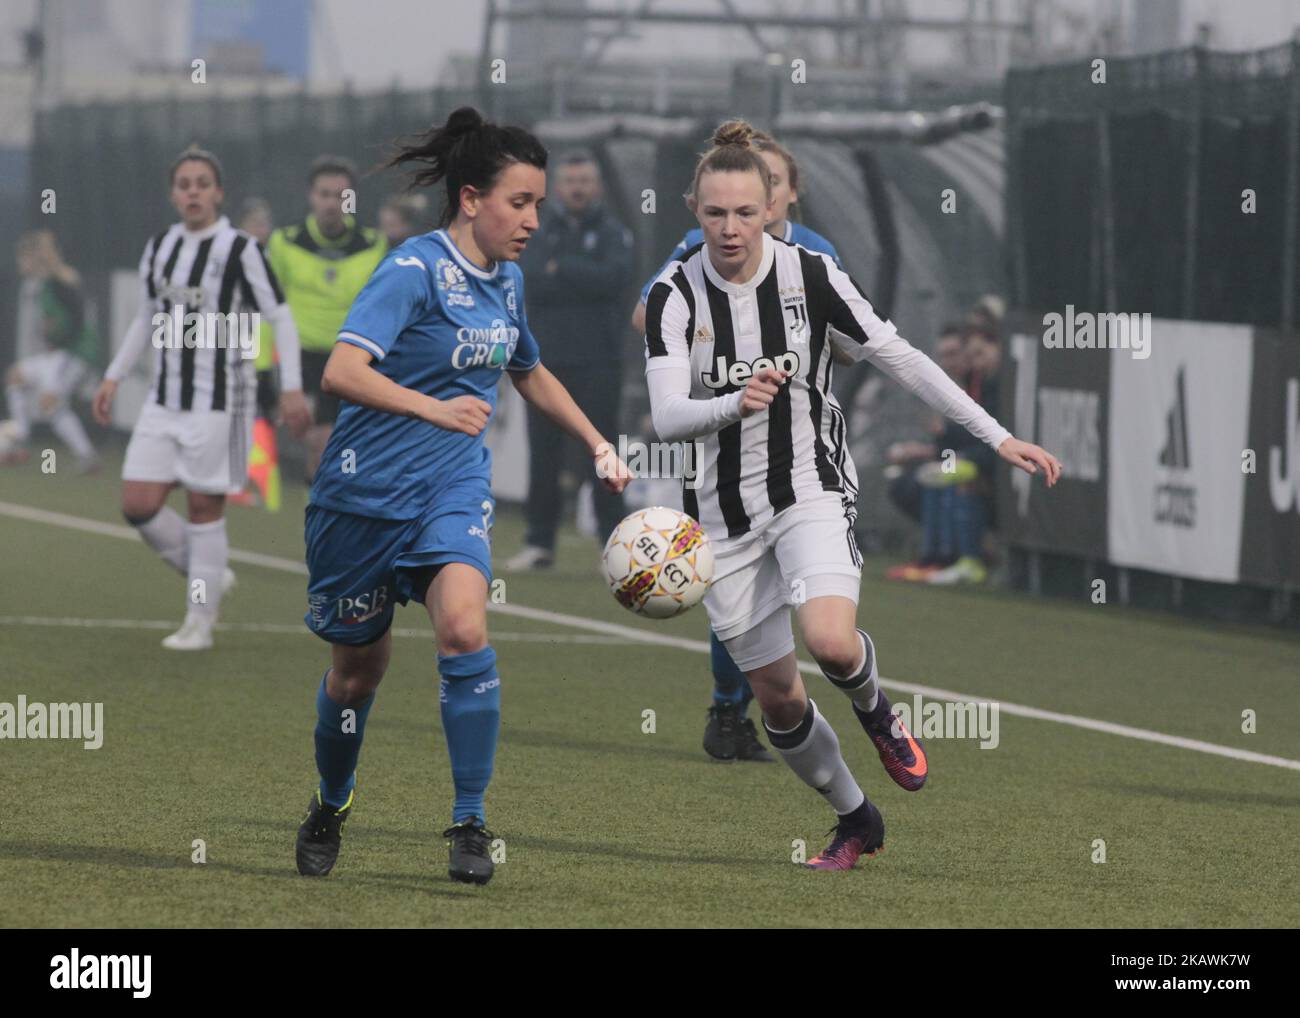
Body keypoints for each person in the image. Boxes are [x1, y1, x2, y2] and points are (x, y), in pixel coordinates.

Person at [643, 120, 1059, 869]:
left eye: (745, 211)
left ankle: (878, 714)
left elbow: (902, 358)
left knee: (830, 642)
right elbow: (668, 415)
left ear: (773, 202)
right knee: (776, 699)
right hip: (721, 515)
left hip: (809, 484)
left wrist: (998, 437)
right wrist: (732, 404)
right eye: (714, 213)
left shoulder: (813, 275)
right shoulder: (676, 293)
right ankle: (856, 818)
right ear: (691, 209)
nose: (731, 227)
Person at [294, 107, 630, 886]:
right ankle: (332, 800)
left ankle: (470, 821)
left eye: (541, 204)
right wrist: (433, 407)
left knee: (464, 630)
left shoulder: (506, 281)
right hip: (361, 497)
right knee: (355, 676)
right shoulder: (412, 270)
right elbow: (341, 373)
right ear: (472, 198)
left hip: (451, 487)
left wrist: (597, 442)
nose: (534, 221)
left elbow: (528, 369)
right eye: (521, 202)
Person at [634, 129, 844, 766]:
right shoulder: (697, 252)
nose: (755, 204)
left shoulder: (815, 256)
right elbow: (647, 313)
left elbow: (858, 340)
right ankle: (728, 708)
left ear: (787, 194)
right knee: (738, 587)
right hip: (718, 452)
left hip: (798, 453)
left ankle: (828, 699)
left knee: (815, 606)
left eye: (772, 187)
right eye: (721, 206)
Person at [92, 146, 310, 650]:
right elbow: (148, 315)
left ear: (218, 192)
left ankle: (200, 620)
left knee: (203, 508)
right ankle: (207, 576)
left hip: (223, 402)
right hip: (164, 401)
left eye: (202, 183)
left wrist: (292, 385)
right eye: (184, 183)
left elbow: (279, 317)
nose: (193, 191)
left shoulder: (241, 250)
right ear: (174, 194)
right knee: (138, 504)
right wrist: (113, 376)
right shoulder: (161, 246)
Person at [505, 148, 634, 572]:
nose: (578, 189)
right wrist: (577, 274)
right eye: (571, 181)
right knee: (543, 453)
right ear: (558, 187)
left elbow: (615, 280)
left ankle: (612, 543)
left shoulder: (615, 231)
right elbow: (533, 278)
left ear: (596, 186)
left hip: (599, 360)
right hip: (545, 363)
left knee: (602, 451)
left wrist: (564, 270)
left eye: (585, 181)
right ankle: (540, 542)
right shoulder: (538, 231)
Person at [267, 156, 387, 482]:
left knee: (332, 450)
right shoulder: (285, 243)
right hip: (301, 359)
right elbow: (267, 308)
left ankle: (325, 515)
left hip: (348, 357)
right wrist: (263, 365)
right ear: (311, 196)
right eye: (324, 194)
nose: (332, 203)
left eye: (341, 195)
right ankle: (320, 515)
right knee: (317, 447)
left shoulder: (374, 246)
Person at [3, 231, 100, 472]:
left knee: (51, 404)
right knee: (15, 378)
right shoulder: (40, 285)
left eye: (24, 259)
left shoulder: (59, 279)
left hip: (73, 353)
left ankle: (87, 456)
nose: (20, 264)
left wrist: (46, 252)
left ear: (36, 259)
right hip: (54, 355)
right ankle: (21, 435)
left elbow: (68, 278)